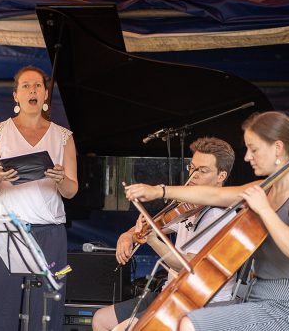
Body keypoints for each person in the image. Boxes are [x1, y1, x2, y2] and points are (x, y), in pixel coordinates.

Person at [125, 111, 289, 331]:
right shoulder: (265, 188)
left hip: (285, 312)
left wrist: (264, 210)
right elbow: (212, 195)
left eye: (254, 149)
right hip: (253, 301)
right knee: (182, 318)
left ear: (277, 148)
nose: (247, 157)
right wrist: (159, 191)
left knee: (191, 324)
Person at [92, 137, 237, 331]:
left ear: (221, 176)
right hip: (172, 291)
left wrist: (152, 241)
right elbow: (151, 227)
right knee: (100, 319)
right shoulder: (188, 206)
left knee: (125, 329)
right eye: (192, 168)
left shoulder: (218, 215)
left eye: (202, 171)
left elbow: (189, 267)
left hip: (198, 300)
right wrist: (128, 235)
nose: (193, 175)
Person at [0, 65, 78, 331]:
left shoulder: (64, 137)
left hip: (48, 232)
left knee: (43, 310)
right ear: (15, 96)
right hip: (3, 231)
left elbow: (71, 190)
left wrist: (60, 178)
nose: (33, 90)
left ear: (45, 95)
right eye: (26, 86)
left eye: (38, 86)